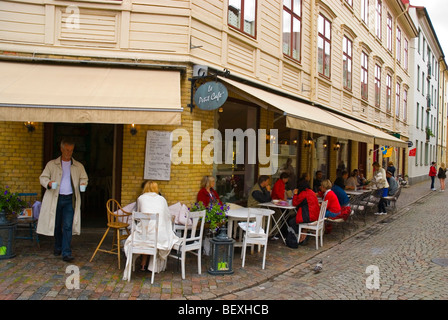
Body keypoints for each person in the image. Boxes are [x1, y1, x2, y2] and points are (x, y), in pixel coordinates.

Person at [37, 138, 88, 262]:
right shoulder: (51, 164)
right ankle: (58, 246)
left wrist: (83, 184)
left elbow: (84, 178)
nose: (68, 153)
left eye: (71, 150)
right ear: (61, 149)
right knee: (56, 225)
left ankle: (66, 252)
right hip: (56, 198)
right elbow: (42, 177)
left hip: (70, 199)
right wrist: (48, 183)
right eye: (66, 150)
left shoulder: (78, 165)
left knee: (67, 226)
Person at [124, 181, 180, 274]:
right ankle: (152, 266)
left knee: (145, 233)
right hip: (159, 236)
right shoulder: (162, 199)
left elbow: (138, 216)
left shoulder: (141, 198)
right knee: (157, 233)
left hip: (144, 235)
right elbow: (167, 217)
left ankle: (143, 263)